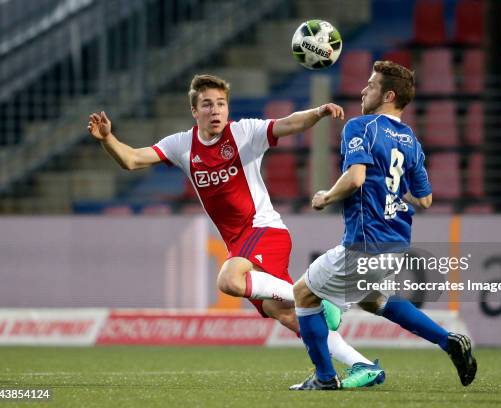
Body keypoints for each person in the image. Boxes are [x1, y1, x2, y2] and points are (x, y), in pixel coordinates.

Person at [87, 74, 383, 387]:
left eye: (221, 104)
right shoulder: (182, 145)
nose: (215, 110)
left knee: (229, 279)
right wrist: (108, 139)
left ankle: (318, 297)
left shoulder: (244, 133)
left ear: (228, 109)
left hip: (264, 229)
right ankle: (362, 365)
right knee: (287, 314)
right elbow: (132, 160)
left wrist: (318, 112)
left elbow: (289, 123)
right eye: (207, 105)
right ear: (194, 112)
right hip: (239, 242)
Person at [290, 61, 478, 390]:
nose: (363, 90)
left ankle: (323, 378)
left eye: (371, 85)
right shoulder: (410, 142)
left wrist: (326, 197)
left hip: (365, 243)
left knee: (303, 294)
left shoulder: (360, 126)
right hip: (395, 245)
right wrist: (391, 187)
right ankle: (449, 341)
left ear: (388, 95)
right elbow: (425, 200)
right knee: (374, 300)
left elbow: (356, 178)